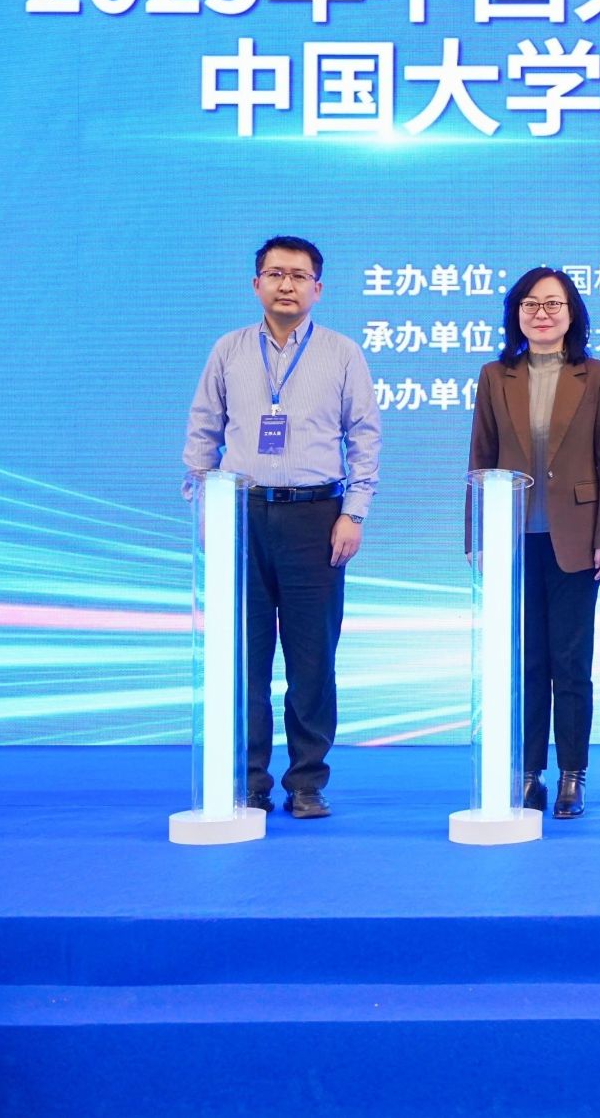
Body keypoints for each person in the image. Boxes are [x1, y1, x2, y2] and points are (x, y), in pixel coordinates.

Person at [182, 236, 380, 819]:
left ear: (318, 288)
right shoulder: (228, 350)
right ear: (256, 285)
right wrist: (205, 507)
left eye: (298, 275)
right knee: (244, 659)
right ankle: (249, 781)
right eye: (274, 274)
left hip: (317, 517)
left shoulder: (342, 353)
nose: (286, 285)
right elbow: (203, 432)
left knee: (312, 660)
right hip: (242, 515)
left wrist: (354, 512)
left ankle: (307, 782)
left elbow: (364, 437)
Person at [468, 267, 600, 819]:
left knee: (571, 663)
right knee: (528, 663)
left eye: (553, 304)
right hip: (514, 539)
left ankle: (573, 775)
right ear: (516, 313)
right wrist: (479, 536)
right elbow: (480, 458)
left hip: (577, 540)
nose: (541, 313)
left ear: (571, 313)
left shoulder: (596, 375)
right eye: (531, 304)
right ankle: (529, 773)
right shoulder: (495, 376)